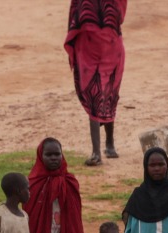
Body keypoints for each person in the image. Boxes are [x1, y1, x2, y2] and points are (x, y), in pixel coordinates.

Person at [64, 0, 125, 167]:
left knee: (108, 94)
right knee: (97, 95)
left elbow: (118, 16)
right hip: (92, 47)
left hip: (108, 46)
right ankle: (101, 149)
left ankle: (107, 145)